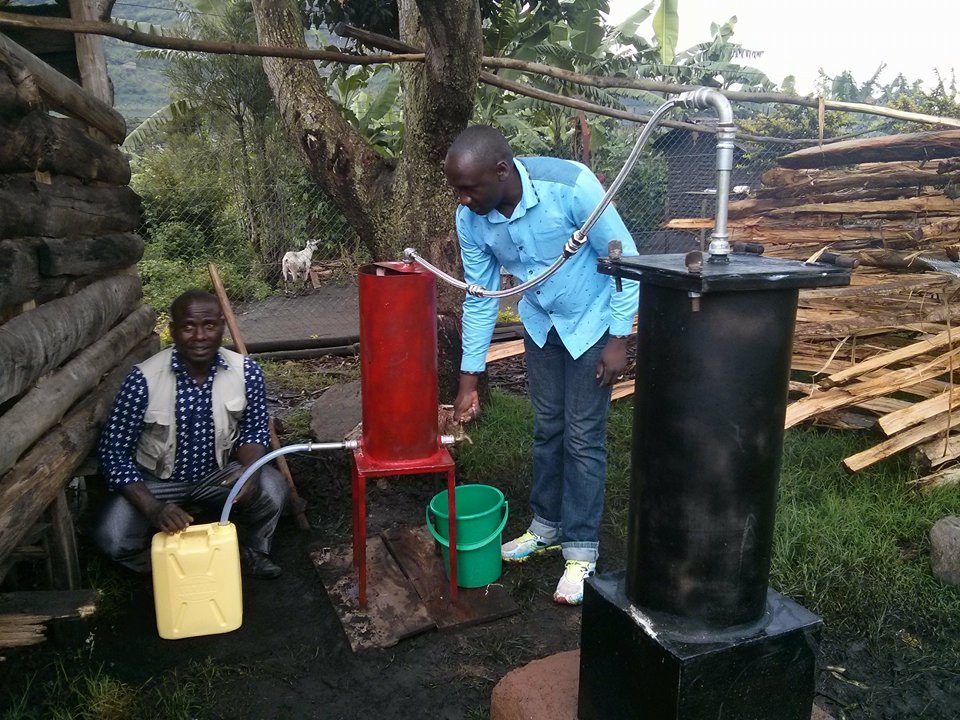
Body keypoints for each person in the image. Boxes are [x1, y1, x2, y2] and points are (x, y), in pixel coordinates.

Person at [444, 125, 640, 605]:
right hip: (541, 324)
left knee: (582, 435)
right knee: (547, 427)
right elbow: (481, 298)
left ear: (501, 171)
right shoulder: (471, 220)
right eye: (458, 191)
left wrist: (620, 337)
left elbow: (624, 257)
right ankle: (546, 527)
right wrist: (469, 379)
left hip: (592, 321)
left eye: (470, 189)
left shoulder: (570, 186)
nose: (464, 201)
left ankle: (581, 550)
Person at [93, 289, 289, 578]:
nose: (199, 336)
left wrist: (249, 473)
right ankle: (171, 571)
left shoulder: (246, 372)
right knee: (111, 536)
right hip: (156, 483)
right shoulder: (143, 380)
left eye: (209, 325)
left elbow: (255, 430)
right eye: (188, 327)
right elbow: (114, 454)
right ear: (172, 330)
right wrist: (153, 508)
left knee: (273, 488)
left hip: (218, 476)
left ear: (221, 327)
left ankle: (252, 553)